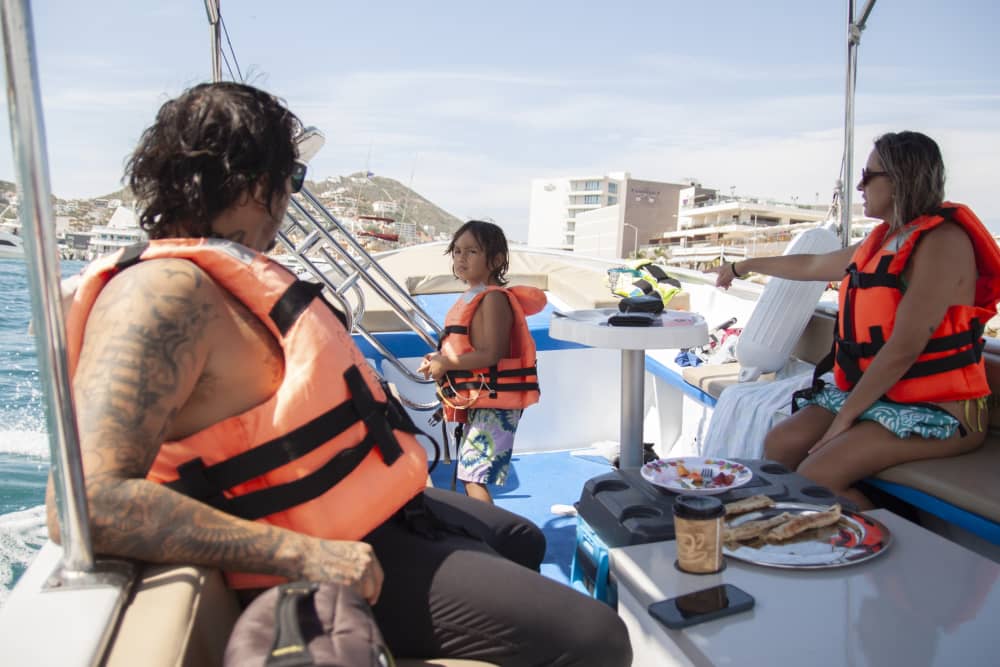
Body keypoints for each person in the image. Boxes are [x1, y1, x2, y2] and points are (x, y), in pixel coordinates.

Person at [45, 82, 631, 667]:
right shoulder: (163, 291)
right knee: (599, 639)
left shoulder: (225, 281)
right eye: (292, 180)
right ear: (256, 183)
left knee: (522, 538)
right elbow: (86, 502)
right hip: (318, 551)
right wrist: (307, 556)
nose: (289, 199)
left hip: (383, 513)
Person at [714, 131, 1000, 509]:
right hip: (883, 396)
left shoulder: (943, 243)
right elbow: (814, 264)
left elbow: (904, 347)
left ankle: (895, 551)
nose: (860, 187)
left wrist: (843, 419)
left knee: (816, 476)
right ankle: (796, 539)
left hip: (941, 410)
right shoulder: (884, 240)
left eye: (868, 176)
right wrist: (743, 265)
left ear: (900, 180)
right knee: (779, 444)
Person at [418, 221, 545, 504]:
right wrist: (439, 360)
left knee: (473, 478)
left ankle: (490, 538)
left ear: (496, 260)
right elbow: (465, 348)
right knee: (470, 476)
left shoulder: (493, 299)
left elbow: (491, 353)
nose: (461, 258)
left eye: (472, 251)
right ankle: (485, 534)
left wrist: (446, 363)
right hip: (481, 398)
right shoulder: (474, 296)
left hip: (495, 400)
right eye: (457, 251)